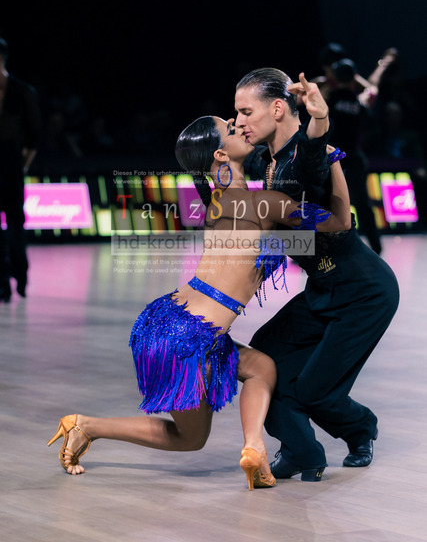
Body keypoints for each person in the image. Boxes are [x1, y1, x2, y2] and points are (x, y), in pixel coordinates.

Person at [47, 115, 351, 490]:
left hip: (163, 321)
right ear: (221, 155)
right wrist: (332, 159)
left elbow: (263, 240)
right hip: (190, 335)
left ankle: (87, 426)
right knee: (197, 431)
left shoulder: (218, 204)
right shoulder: (265, 203)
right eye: (231, 128)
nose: (240, 125)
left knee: (257, 371)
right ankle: (253, 446)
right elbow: (341, 221)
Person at [235, 67, 399, 481]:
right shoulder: (264, 161)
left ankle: (361, 429)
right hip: (323, 288)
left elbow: (312, 157)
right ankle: (301, 451)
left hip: (364, 292)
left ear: (277, 108)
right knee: (264, 357)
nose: (239, 121)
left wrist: (320, 118)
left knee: (315, 391)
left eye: (246, 112)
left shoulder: (307, 155)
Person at [327, 58, 382, 254]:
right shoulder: (359, 103)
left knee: (321, 202)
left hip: (331, 159)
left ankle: (308, 250)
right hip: (354, 159)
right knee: (363, 203)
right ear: (353, 78)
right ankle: (376, 248)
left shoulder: (328, 99)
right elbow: (372, 92)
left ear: (335, 77)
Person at [0, 37, 40, 302]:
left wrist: (22, 167)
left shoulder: (22, 92)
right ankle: (2, 282)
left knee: (15, 223)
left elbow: (33, 138)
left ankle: (20, 274)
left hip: (12, 166)